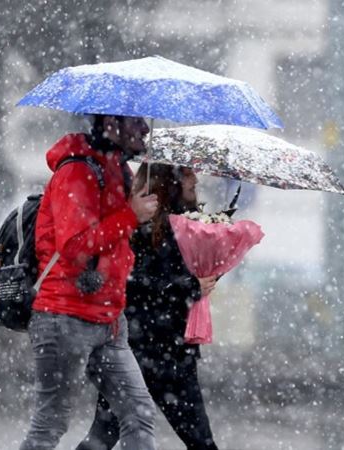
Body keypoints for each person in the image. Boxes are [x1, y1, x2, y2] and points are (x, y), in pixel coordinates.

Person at [20, 115, 159, 450]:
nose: (145, 128)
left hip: (109, 319)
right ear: (111, 123)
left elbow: (116, 243)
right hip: (64, 316)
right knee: (50, 424)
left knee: (139, 415)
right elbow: (74, 246)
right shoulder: (78, 171)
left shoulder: (118, 172)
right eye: (135, 121)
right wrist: (130, 216)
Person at [77, 163, 220, 450]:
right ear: (168, 182)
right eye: (187, 172)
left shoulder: (189, 227)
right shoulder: (136, 229)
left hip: (169, 352)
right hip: (140, 351)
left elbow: (178, 281)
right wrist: (188, 286)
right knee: (103, 437)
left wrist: (211, 267)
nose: (195, 177)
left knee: (199, 442)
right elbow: (132, 285)